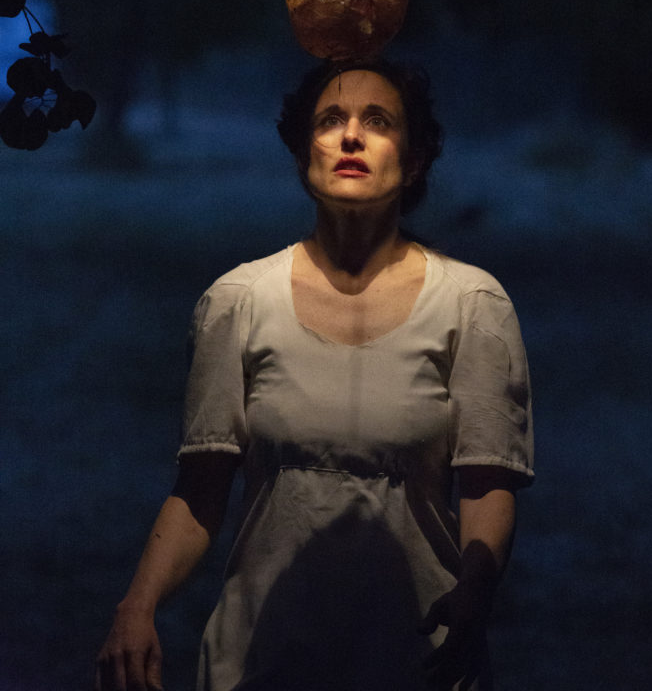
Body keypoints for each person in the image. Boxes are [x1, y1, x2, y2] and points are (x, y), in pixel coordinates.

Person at [95, 59, 534, 691]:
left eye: (377, 121)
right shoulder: (241, 301)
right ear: (304, 154)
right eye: (331, 120)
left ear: (414, 161)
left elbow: (487, 483)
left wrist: (476, 588)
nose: (351, 136)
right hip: (264, 656)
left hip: (414, 654)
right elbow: (200, 488)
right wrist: (136, 607)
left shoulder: (471, 305)